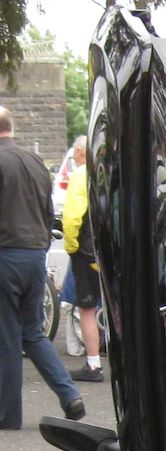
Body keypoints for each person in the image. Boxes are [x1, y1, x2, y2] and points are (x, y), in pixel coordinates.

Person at [0, 106, 85, 427]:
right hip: (35, 254)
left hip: (5, 253)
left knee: (7, 336)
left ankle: (8, 414)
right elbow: (48, 210)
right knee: (32, 332)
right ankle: (69, 394)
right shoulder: (34, 161)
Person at [61, 134, 103, 383]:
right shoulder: (106, 173)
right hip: (106, 251)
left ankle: (93, 364)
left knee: (86, 308)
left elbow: (72, 217)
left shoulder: (81, 174)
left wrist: (71, 246)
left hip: (86, 251)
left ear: (80, 152)